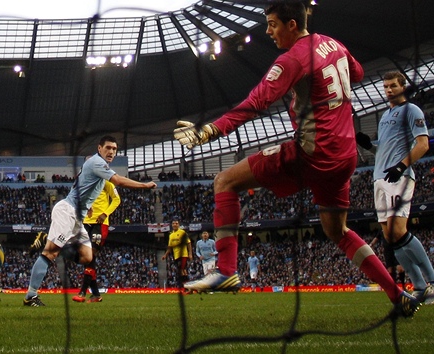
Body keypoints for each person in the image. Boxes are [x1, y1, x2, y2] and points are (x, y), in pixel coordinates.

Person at [173, 1, 419, 317]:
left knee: (225, 181)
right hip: (345, 156)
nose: (268, 31)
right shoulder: (334, 43)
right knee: (337, 231)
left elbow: (256, 102)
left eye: (273, 24)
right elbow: (356, 73)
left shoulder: (293, 59)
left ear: (292, 25)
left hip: (313, 155)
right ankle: (397, 295)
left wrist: (208, 131)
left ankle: (225, 270)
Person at [23, 136, 156, 307]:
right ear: (99, 148)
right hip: (67, 212)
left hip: (78, 217)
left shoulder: (98, 167)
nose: (111, 152)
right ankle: (30, 296)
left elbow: (81, 188)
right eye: (108, 148)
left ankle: (47, 243)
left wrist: (88, 206)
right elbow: (119, 181)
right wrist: (145, 186)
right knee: (50, 254)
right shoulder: (96, 162)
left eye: (114, 149)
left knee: (87, 257)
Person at [357, 70, 434, 305]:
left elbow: (423, 144)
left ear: (403, 87)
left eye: (393, 86)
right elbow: (384, 150)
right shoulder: (385, 116)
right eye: (385, 87)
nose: (389, 90)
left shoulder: (411, 110)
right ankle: (420, 286)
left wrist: (401, 166)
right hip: (379, 178)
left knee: (398, 231)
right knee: (390, 237)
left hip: (399, 177)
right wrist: (369, 147)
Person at [72, 177, 121, 303]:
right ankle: (96, 295)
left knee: (91, 254)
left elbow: (117, 200)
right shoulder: (85, 184)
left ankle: (82, 292)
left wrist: (105, 213)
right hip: (86, 223)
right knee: (88, 258)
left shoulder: (107, 183)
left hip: (100, 223)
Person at [161, 219, 193, 290]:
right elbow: (170, 247)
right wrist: (165, 255)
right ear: (172, 225)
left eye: (176, 223)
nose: (175, 225)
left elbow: (188, 243)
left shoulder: (182, 232)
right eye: (173, 223)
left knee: (182, 270)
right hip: (176, 255)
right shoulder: (171, 235)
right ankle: (186, 285)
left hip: (183, 254)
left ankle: (185, 286)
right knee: (182, 270)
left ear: (178, 225)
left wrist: (190, 253)